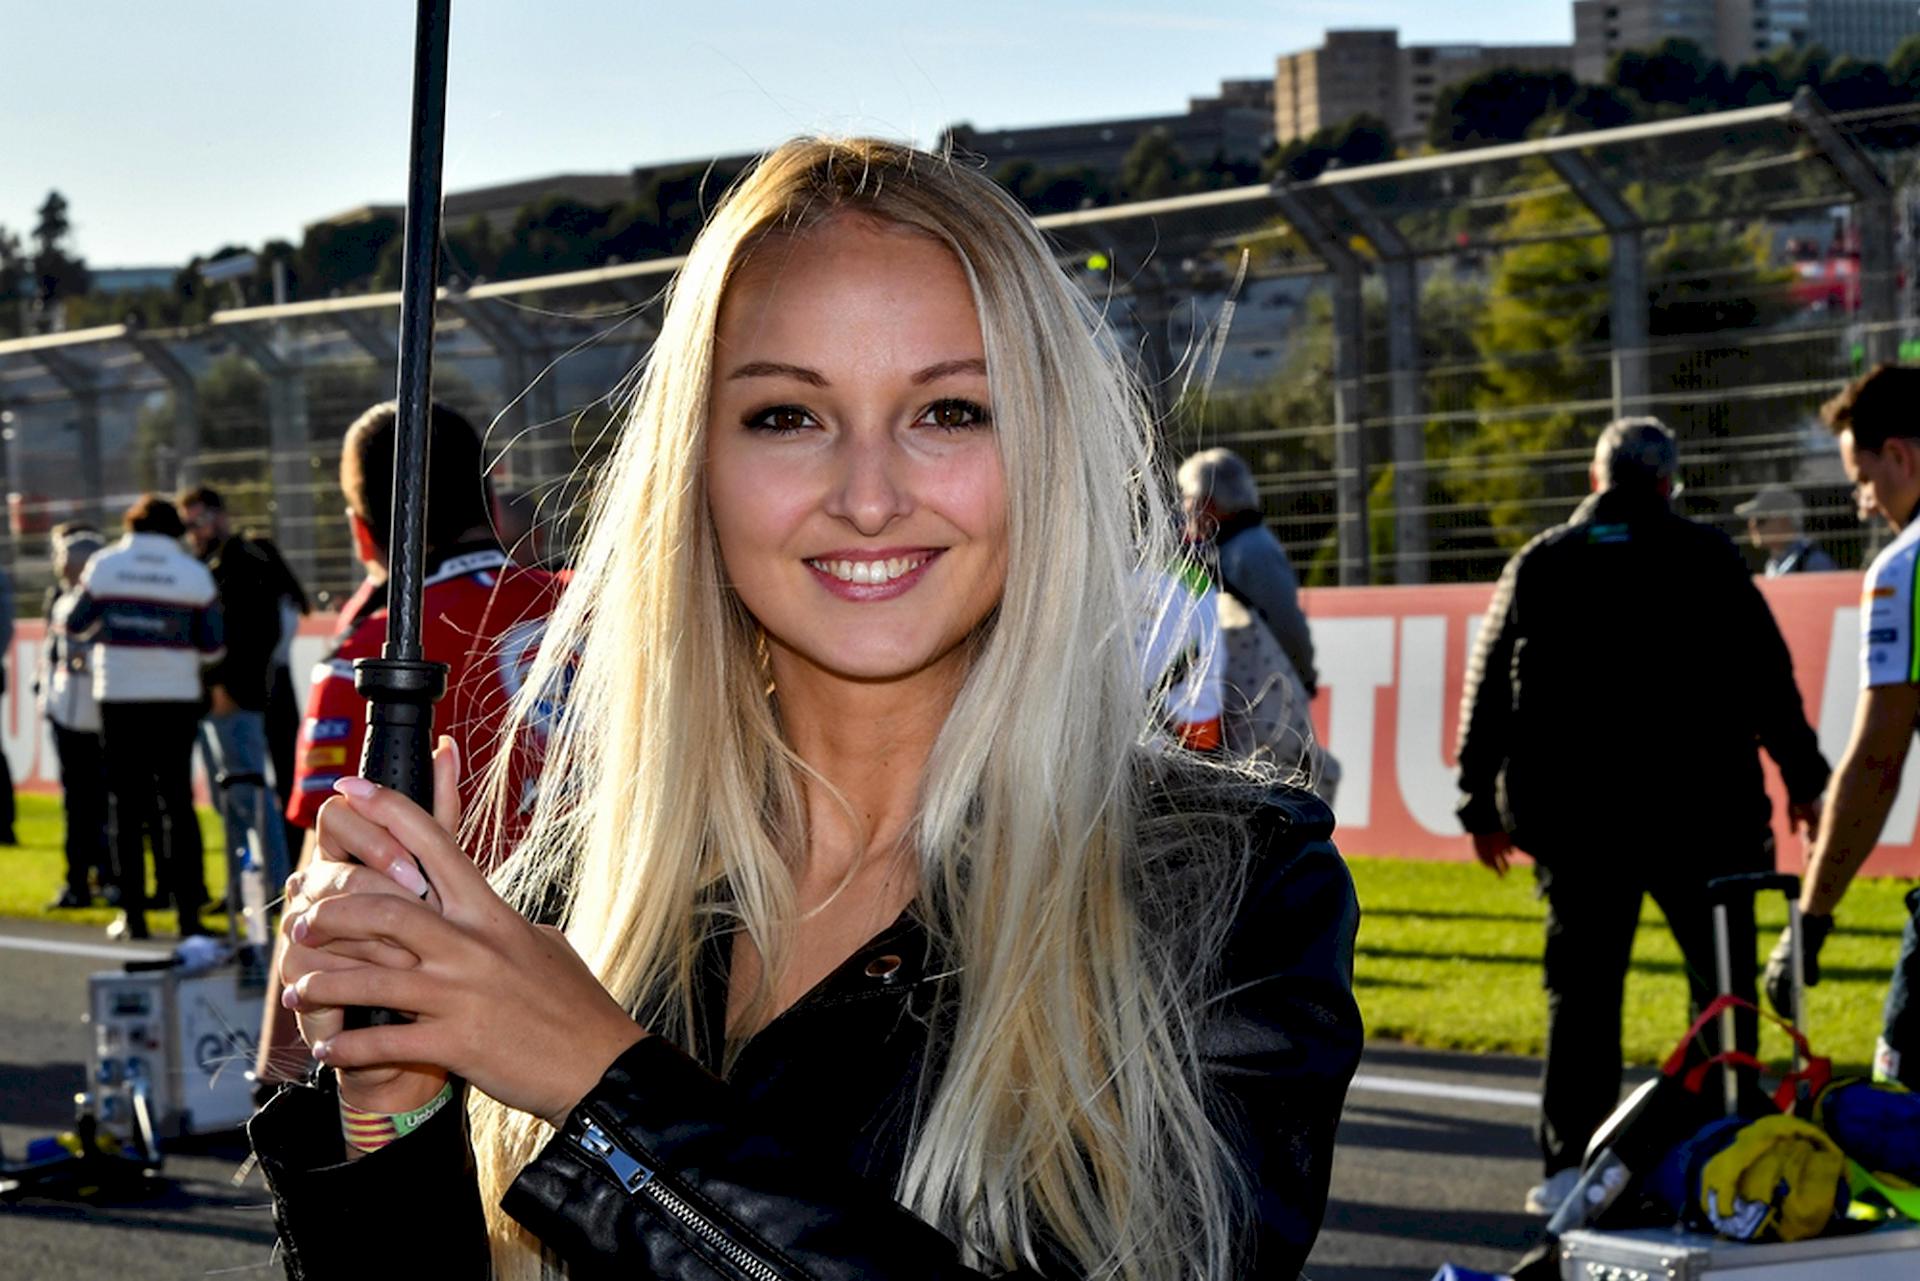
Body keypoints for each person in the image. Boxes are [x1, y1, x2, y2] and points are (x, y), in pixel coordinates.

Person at [249, 138, 1363, 1281]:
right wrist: (394, 1116)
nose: (870, 496)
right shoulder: (580, 891)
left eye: (950, 411)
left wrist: (602, 1090)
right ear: (697, 468)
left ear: (1044, 449)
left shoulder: (1221, 888)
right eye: (787, 416)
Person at [1455, 418, 1830, 1215]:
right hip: (1704, 817)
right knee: (1721, 988)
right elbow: (1770, 678)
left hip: (1580, 824)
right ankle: (1727, 1144)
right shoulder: (1708, 556)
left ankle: (1570, 1167)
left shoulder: (1544, 560)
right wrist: (1805, 777)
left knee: (1583, 995)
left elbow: (1486, 688)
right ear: (1667, 482)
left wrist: (1476, 801)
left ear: (1597, 480)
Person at [249, 400, 560, 1091]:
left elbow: (318, 884)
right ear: (493, 499)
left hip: (455, 1030)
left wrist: (279, 1070)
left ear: (364, 535)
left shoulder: (365, 661)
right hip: (640, 1003)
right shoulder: (604, 607)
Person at [1769, 365, 1920, 1091]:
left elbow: (1876, 763)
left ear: (1903, 457)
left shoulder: (1906, 568)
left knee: (1901, 1105)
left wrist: (1813, 915)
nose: (1865, 504)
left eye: (1864, 477)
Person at [65, 495, 224, 941]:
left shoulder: (105, 565)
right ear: (175, 528)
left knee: (127, 807)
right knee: (178, 804)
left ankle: (133, 915)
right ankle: (189, 914)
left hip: (119, 697)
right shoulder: (193, 573)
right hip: (175, 699)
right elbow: (214, 647)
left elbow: (76, 623)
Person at [1178, 447, 1338, 798]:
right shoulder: (1232, 545)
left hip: (1263, 692)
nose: (1185, 508)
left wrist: (1302, 675)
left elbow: (1286, 623)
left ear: (1210, 501)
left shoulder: (1250, 550)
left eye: (1189, 498)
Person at [178, 485, 297, 904]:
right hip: (215, 697)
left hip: (236, 697)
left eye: (197, 521)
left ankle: (278, 888)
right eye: (187, 524)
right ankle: (241, 890)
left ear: (217, 515)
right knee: (226, 800)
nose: (192, 531)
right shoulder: (206, 563)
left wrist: (231, 688)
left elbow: (258, 631)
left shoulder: (241, 560)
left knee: (251, 796)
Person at [40, 523, 110, 908]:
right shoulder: (60, 597)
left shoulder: (94, 601)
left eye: (65, 556)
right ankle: (77, 880)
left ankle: (102, 875)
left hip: (93, 715)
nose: (58, 562)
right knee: (76, 802)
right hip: (63, 712)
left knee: (97, 802)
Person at [1736, 484, 1836, 576]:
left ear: (1783, 521)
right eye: (1750, 520)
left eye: (1760, 520)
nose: (1752, 526)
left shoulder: (1814, 562)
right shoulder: (1773, 564)